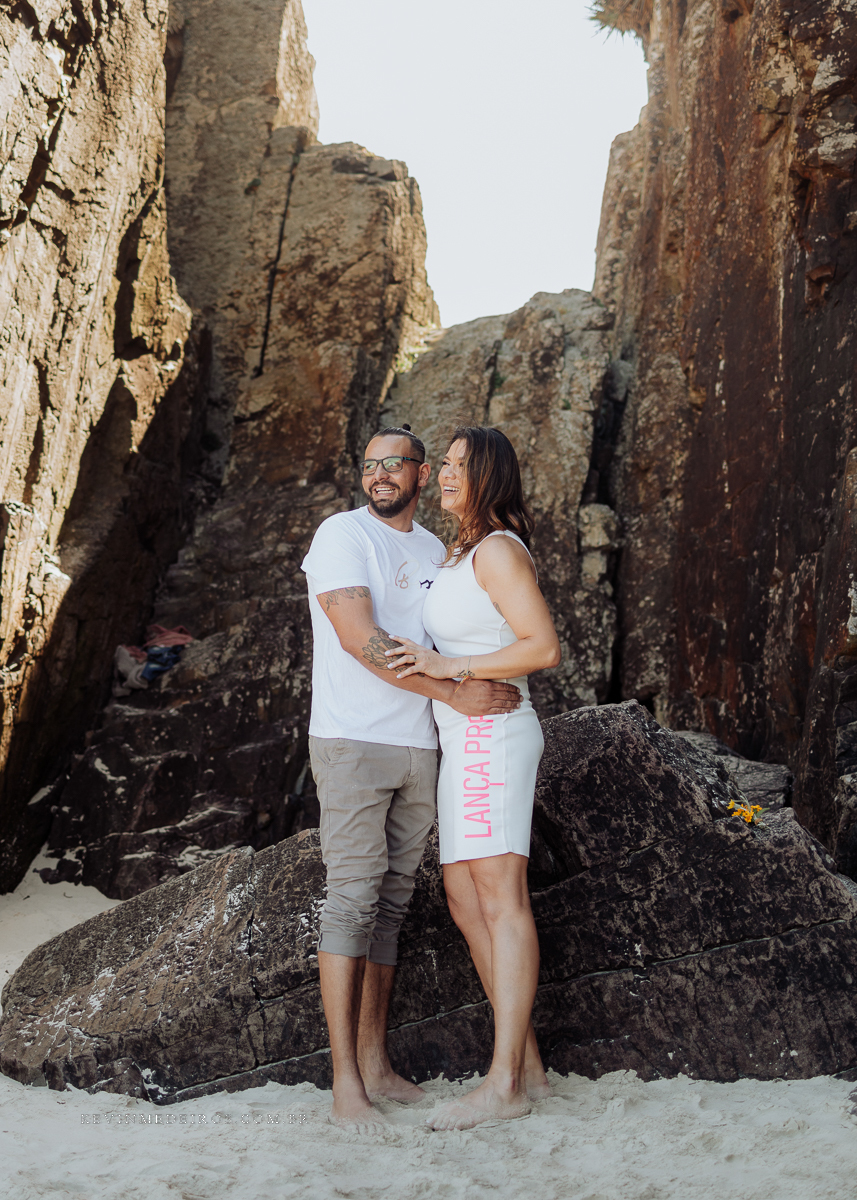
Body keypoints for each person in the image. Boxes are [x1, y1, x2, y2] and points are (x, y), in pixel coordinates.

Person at [301, 426, 522, 1131]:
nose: (379, 474)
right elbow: (355, 633)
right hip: (352, 739)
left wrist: (461, 688)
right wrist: (456, 693)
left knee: (392, 907)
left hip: (420, 745)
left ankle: (374, 1064)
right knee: (351, 901)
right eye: (368, 464)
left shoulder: (437, 551)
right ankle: (345, 1088)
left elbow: (455, 641)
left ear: (421, 476)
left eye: (394, 463)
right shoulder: (342, 534)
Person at [386, 425, 561, 1132]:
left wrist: (447, 668)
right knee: (464, 896)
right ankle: (532, 1071)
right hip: (464, 740)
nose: (448, 474)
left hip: (493, 734)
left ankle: (505, 1082)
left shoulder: (495, 550)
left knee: (499, 895)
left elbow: (540, 646)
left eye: (461, 465)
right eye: (446, 464)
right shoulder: (458, 553)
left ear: (489, 475)